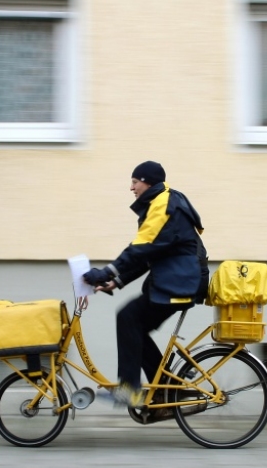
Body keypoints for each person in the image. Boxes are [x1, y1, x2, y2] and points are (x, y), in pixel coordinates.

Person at [83, 161, 209, 407]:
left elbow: (140, 248)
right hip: (179, 279)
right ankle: (164, 390)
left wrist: (107, 271)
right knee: (135, 326)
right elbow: (150, 254)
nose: (131, 188)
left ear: (148, 182)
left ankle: (129, 389)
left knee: (128, 318)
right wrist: (116, 281)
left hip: (181, 281)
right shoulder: (163, 201)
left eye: (134, 182)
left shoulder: (164, 204)